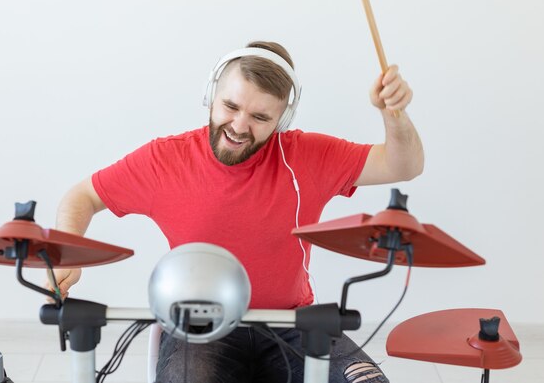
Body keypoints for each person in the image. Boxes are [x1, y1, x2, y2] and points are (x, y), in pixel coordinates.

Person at [48, 41, 423, 383]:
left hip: (292, 324)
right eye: (231, 106)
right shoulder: (166, 159)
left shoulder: (306, 156)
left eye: (260, 118)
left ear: (282, 120)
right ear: (211, 96)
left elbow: (402, 165)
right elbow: (82, 196)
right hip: (198, 326)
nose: (240, 127)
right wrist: (67, 256)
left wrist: (395, 115)